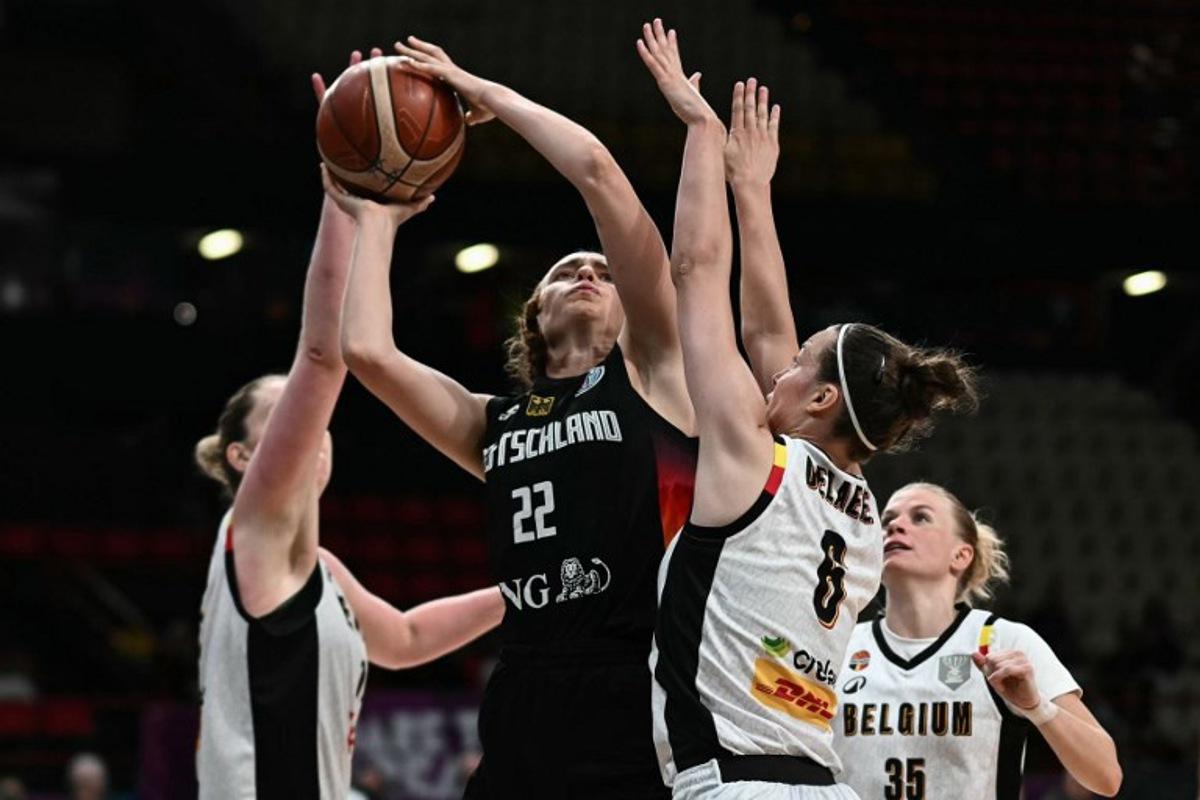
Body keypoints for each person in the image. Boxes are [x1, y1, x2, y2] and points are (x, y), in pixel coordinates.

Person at [330, 35, 697, 799]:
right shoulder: (494, 422)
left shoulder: (656, 374)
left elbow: (597, 172)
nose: (590, 271)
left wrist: (477, 90)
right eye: (568, 272)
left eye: (601, 269)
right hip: (525, 681)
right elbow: (366, 350)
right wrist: (376, 219)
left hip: (636, 673)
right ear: (534, 312)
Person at [637, 19, 978, 798]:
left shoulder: (752, 459)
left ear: (822, 399)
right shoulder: (862, 511)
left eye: (796, 367)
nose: (777, 368)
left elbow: (693, 271)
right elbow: (765, 329)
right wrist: (752, 190)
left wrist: (697, 132)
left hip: (733, 784)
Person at [194, 50, 503, 800]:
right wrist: (352, 197)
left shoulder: (314, 568)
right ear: (241, 456)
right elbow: (325, 355)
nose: (314, 424)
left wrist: (534, 586)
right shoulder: (256, 528)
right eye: (284, 411)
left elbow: (404, 640)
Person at [832, 482, 1123, 798]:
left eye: (920, 518)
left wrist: (1037, 707)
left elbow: (1106, 776)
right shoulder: (840, 645)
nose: (896, 526)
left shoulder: (1006, 641)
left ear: (960, 555)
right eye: (887, 521)